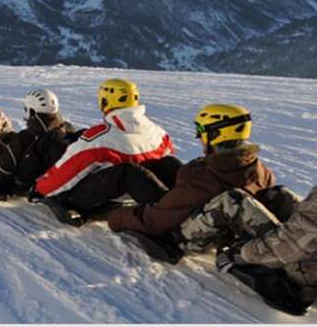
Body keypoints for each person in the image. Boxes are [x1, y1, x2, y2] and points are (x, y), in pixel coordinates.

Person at [108, 104, 276, 247]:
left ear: (215, 134)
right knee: (168, 163)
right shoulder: (258, 168)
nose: (198, 136)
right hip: (235, 226)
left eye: (201, 130)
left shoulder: (202, 175)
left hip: (191, 236)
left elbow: (156, 220)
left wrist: (118, 217)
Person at [210, 121, 317, 289]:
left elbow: (290, 245)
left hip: (308, 271)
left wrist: (239, 253)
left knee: (234, 200)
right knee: (280, 195)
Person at [33, 78, 178, 220]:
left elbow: (68, 169)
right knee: (168, 162)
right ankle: (179, 203)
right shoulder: (157, 131)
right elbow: (167, 155)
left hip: (109, 198)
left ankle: (166, 216)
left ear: (105, 101)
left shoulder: (101, 137)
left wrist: (41, 188)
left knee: (123, 171)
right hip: (141, 192)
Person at [0, 88, 82, 200]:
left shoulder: (26, 136)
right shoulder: (67, 128)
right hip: (58, 178)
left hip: (26, 183)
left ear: (32, 111)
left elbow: (6, 168)